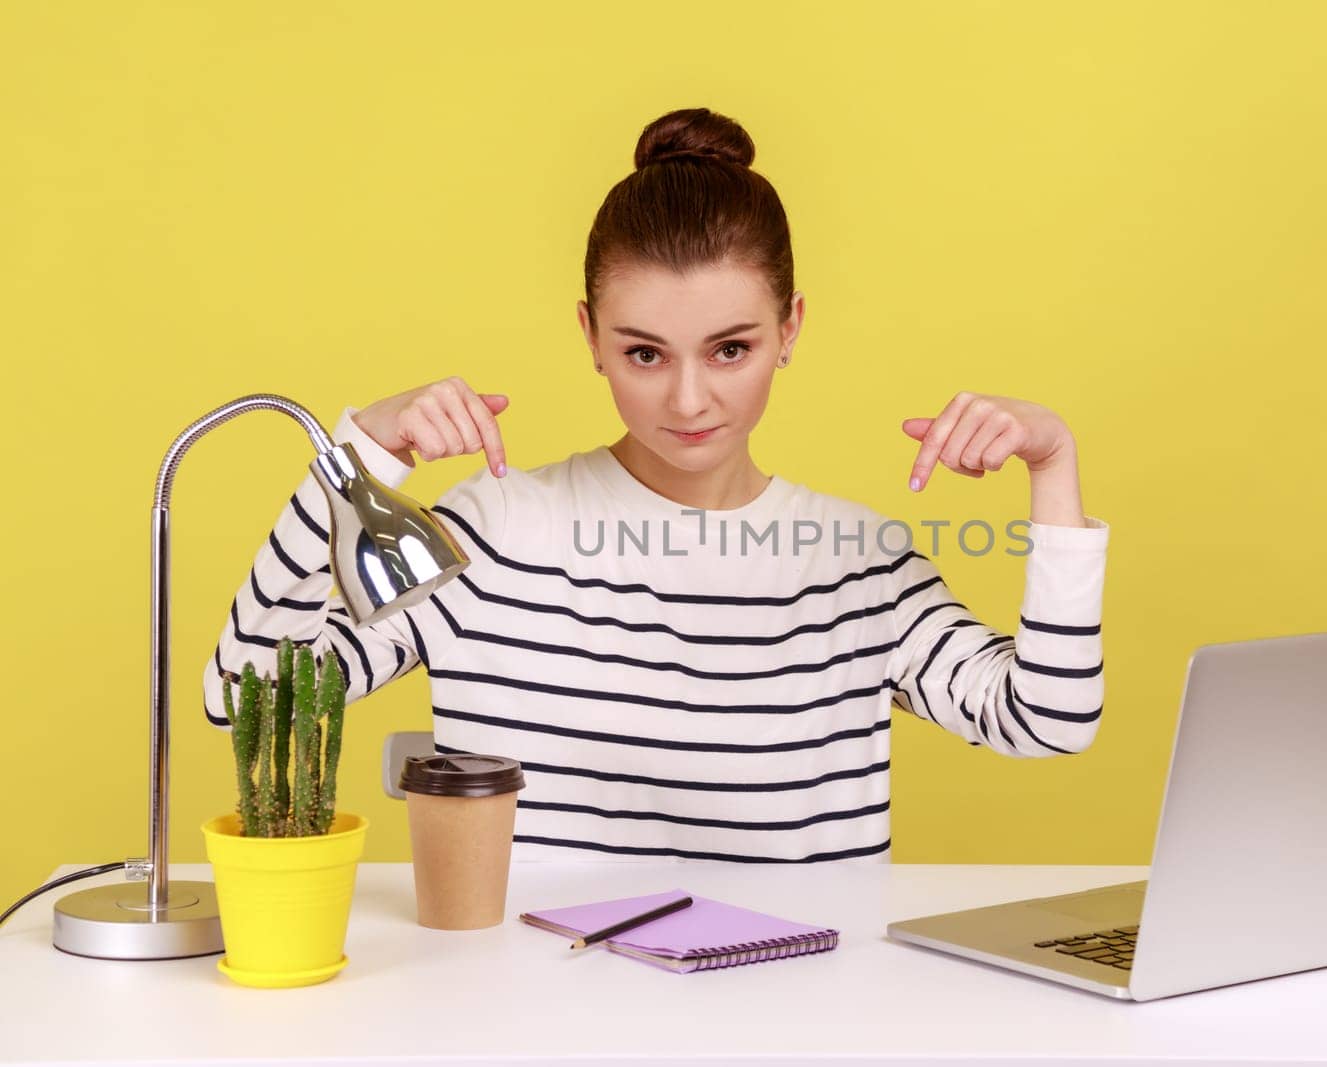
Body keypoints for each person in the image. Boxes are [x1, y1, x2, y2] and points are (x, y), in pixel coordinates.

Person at [202, 106, 1110, 863]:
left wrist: (1053, 461)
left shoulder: (861, 564)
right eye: (644, 352)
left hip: (805, 1018)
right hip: (536, 1020)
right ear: (591, 335)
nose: (688, 398)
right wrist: (355, 457)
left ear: (789, 328)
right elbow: (250, 695)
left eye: (731, 348)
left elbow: (1048, 718)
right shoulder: (494, 534)